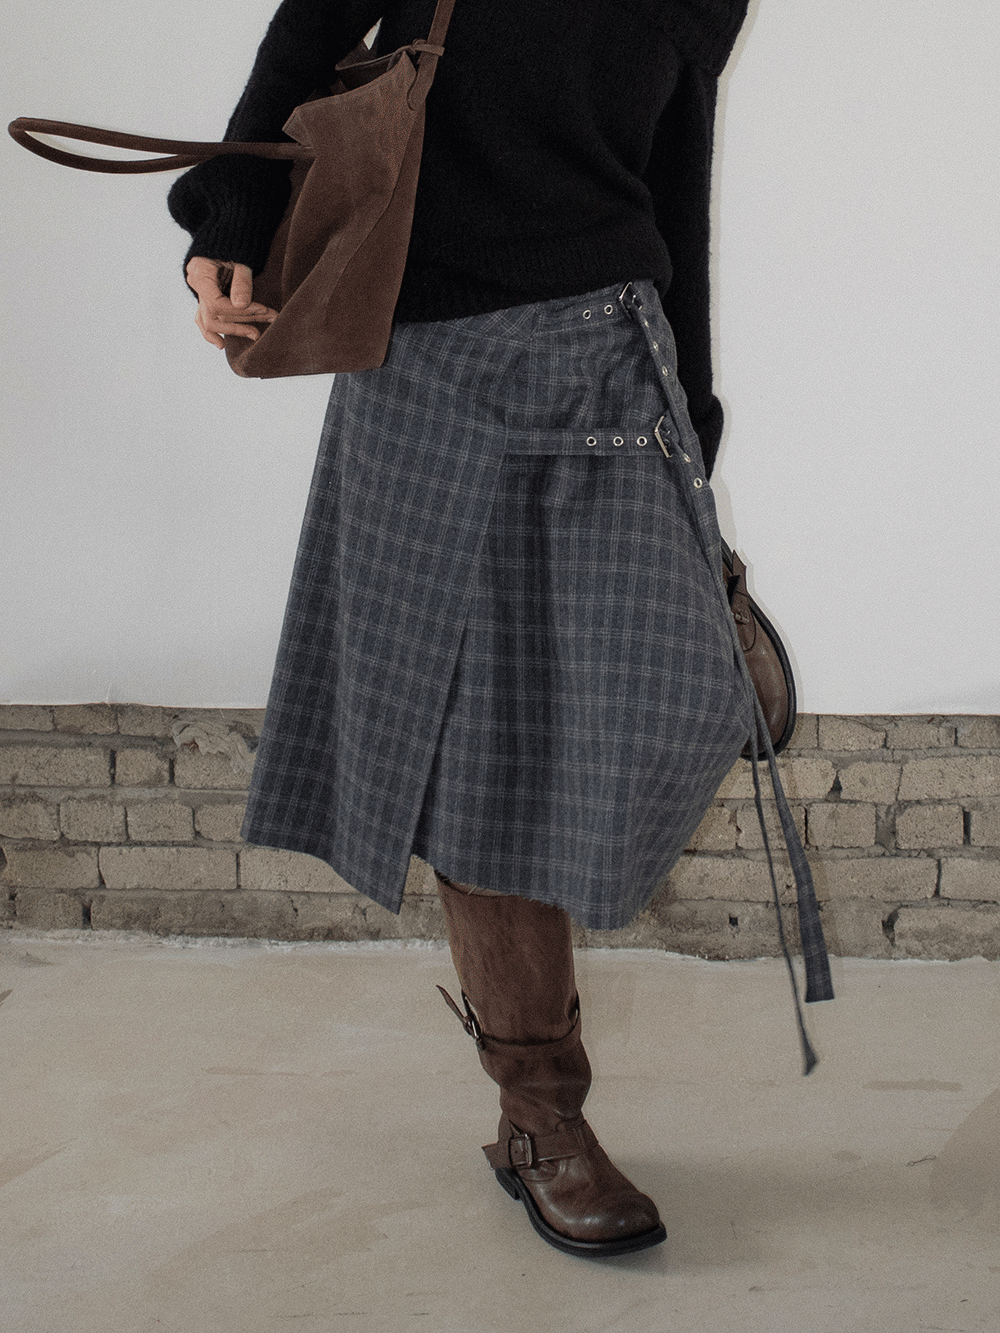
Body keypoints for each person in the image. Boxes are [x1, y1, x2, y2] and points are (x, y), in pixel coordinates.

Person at [169, 0, 752, 1259]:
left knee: (680, 705)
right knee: (485, 759)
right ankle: (542, 1116)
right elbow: (302, 49)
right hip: (425, 365)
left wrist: (692, 426)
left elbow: (676, 183)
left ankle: (538, 1107)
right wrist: (228, 226)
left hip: (609, 362)